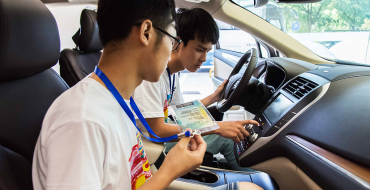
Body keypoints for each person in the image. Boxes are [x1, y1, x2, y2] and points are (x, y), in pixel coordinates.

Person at [32, 0, 262, 189]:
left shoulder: (118, 101)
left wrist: (168, 173)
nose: (173, 50)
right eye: (173, 39)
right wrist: (170, 170)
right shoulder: (82, 120)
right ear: (146, 32)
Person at [133, 8, 258, 172]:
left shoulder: (172, 74)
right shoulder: (153, 74)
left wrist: (213, 98)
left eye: (207, 51)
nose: (204, 58)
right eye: (200, 49)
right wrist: (217, 127)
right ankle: (254, 178)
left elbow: (179, 112)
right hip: (152, 144)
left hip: (162, 134)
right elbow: (156, 130)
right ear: (177, 42)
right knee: (227, 140)